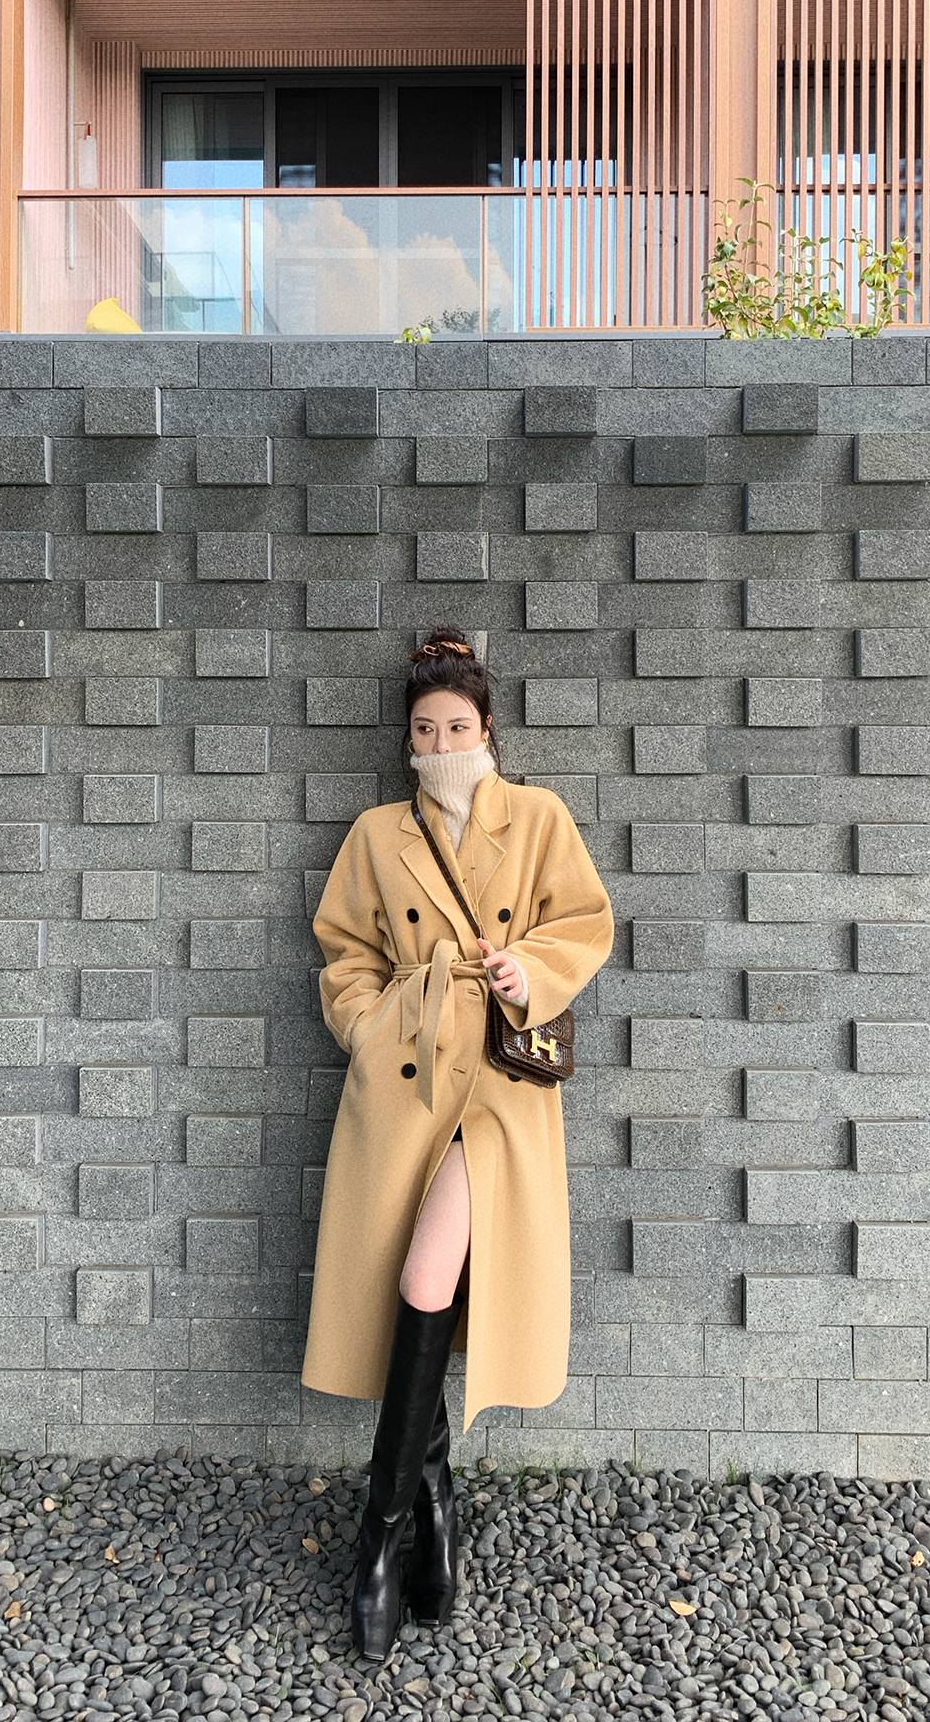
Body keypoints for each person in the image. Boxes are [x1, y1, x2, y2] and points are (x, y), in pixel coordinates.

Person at [301, 626, 615, 1662]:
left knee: (427, 1276)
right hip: (405, 1079)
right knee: (410, 1282)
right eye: (426, 726)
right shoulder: (377, 833)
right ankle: (428, 1503)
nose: (441, 741)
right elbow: (344, 950)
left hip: (499, 1085)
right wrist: (367, 1024)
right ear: (409, 737)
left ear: (487, 730)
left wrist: (531, 971)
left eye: (458, 724)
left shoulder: (538, 816)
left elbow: (585, 921)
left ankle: (377, 1536)